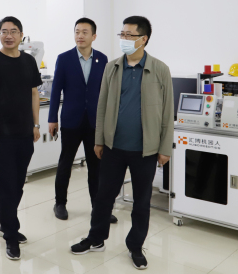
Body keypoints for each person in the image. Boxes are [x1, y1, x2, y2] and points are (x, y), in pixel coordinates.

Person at [71, 16, 173, 271]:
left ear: (143, 39)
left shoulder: (160, 69)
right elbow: (102, 106)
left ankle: (135, 246)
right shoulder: (112, 68)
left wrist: (165, 148)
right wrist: (99, 139)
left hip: (145, 150)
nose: (124, 39)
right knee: (104, 197)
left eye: (129, 35)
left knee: (141, 201)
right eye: (122, 34)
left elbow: (167, 112)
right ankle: (96, 238)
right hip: (113, 148)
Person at [0, 16, 41, 261]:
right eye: (4, 31)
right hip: (2, 136)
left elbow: (34, 93)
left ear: (21, 35)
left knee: (18, 184)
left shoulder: (29, 61)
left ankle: (8, 224)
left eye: (13, 31)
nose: (9, 35)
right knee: (6, 187)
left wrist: (36, 124)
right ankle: (11, 235)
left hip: (25, 133)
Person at [49, 18, 117, 224]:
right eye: (77, 31)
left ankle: (98, 207)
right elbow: (55, 91)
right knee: (65, 163)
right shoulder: (64, 59)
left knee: (96, 167)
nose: (80, 36)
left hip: (95, 122)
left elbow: (107, 92)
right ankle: (60, 203)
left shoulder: (102, 59)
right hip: (71, 120)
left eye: (84, 32)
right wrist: (52, 118)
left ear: (93, 36)